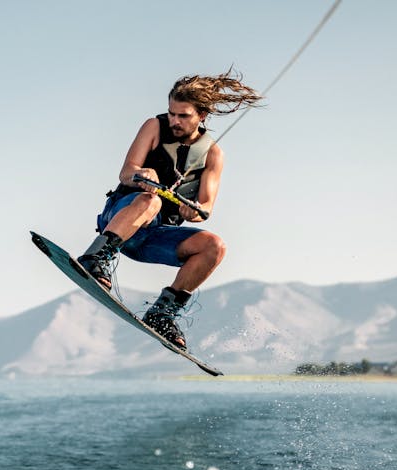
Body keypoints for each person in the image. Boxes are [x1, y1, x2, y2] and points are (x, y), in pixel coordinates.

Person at [77, 70, 262, 349]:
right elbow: (126, 172)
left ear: (201, 115)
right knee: (150, 201)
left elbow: (206, 207)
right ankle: (95, 257)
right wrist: (141, 174)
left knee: (215, 246)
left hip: (152, 238)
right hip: (121, 218)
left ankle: (162, 314)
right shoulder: (154, 126)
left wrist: (194, 211)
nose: (175, 121)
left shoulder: (213, 154)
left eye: (183, 116)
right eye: (172, 113)